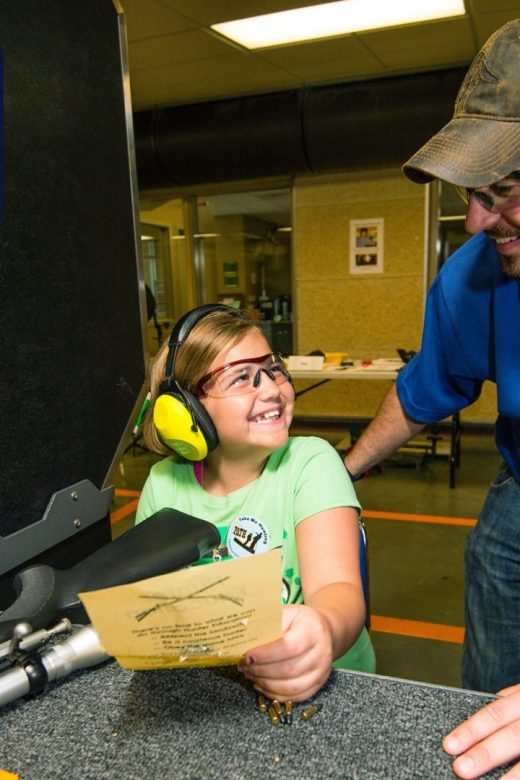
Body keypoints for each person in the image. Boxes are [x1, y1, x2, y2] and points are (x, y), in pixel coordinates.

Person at [344, 17, 520, 776]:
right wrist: (336, 472)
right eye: (473, 195)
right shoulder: (475, 276)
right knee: (496, 562)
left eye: (503, 192)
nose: (478, 222)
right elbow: (424, 394)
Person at [136, 304, 375, 702]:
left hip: (328, 687)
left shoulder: (311, 462)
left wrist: (323, 632)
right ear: (186, 409)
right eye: (242, 377)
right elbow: (156, 609)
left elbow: (339, 590)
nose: (271, 389)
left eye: (273, 369)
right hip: (219, 688)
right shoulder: (163, 486)